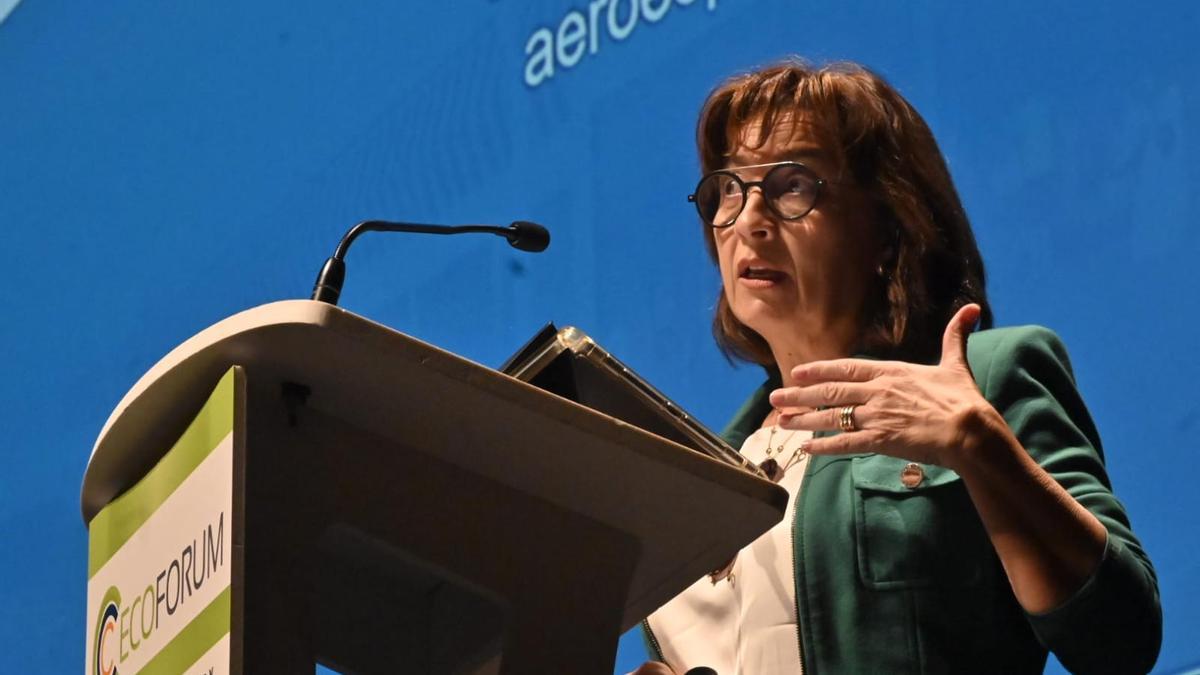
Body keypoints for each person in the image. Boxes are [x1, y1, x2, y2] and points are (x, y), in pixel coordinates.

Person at [633, 60, 1161, 674]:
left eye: (792, 185)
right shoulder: (697, 479)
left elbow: (1121, 638)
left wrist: (980, 446)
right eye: (728, 188)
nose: (748, 218)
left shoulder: (988, 379)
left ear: (887, 228)